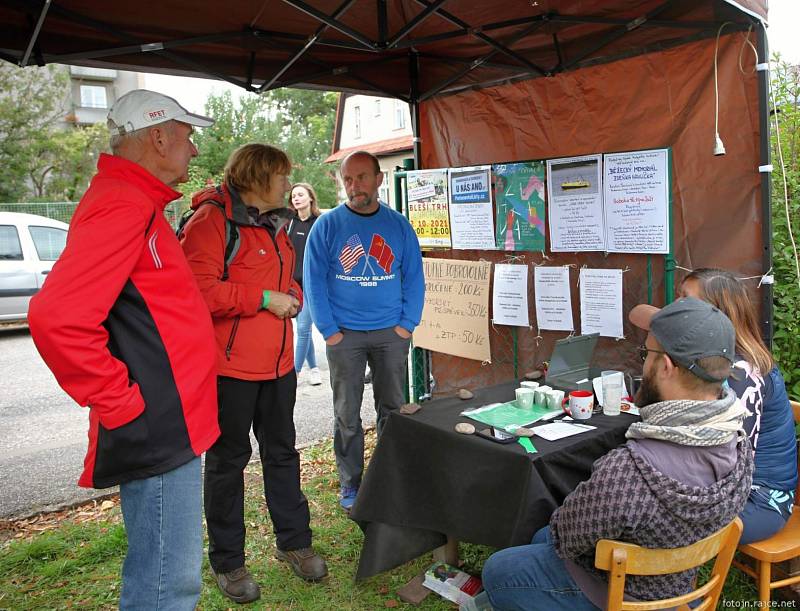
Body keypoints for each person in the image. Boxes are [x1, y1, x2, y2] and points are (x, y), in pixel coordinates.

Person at [27, 89, 220, 610]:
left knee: (168, 574)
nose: (194, 151)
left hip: (171, 421)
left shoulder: (137, 200)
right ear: (158, 136)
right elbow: (57, 318)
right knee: (167, 584)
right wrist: (120, 402)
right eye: (187, 136)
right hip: (157, 426)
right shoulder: (122, 202)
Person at [481, 297, 754, 610]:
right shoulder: (739, 444)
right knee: (542, 535)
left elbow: (568, 539)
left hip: (619, 593)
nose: (643, 363)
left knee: (500, 569)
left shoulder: (629, 472)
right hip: (679, 577)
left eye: (646, 354)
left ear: (665, 366)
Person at [179, 143, 327, 604]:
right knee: (227, 463)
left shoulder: (274, 222)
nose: (289, 184)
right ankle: (229, 562)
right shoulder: (211, 222)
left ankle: (294, 544)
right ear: (258, 177)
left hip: (279, 366)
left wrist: (293, 295)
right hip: (229, 370)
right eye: (281, 176)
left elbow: (287, 277)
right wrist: (264, 299)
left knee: (282, 453)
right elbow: (197, 291)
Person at [303, 150, 425, 512]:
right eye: (348, 179)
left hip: (391, 333)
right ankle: (351, 484)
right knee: (347, 414)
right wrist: (329, 331)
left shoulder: (398, 225)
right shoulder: (327, 226)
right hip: (345, 336)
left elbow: (414, 276)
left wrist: (407, 325)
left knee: (392, 410)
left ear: (378, 180)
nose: (355, 186)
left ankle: (390, 478)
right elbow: (313, 282)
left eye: (362, 177)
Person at [679, 268, 798, 544]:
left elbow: (731, 463)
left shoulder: (741, 373)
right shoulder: (718, 357)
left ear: (717, 314)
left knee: (659, 521)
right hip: (735, 488)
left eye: (687, 300)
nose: (677, 307)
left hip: (760, 499)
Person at [287, 182, 323, 386]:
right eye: (293, 196)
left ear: (310, 197)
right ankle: (315, 368)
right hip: (292, 285)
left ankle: (295, 372)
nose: (296, 198)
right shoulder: (289, 223)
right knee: (304, 330)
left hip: (311, 285)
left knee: (302, 329)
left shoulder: (318, 222)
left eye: (300, 195)